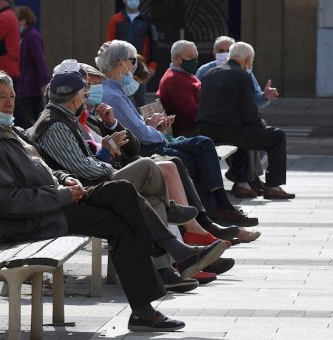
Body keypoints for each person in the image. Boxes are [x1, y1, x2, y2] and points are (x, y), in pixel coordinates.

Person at [0, 70, 226, 331]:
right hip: (29, 220)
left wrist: (64, 179)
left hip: (50, 206)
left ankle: (149, 300)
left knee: (121, 202)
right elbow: (9, 201)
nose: (10, 101)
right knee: (121, 198)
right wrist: (62, 194)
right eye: (1, 97)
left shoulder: (6, 127)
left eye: (12, 95)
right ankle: (174, 254)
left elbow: (43, 166)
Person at [97, 40, 260, 228]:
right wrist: (158, 133)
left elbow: (138, 128)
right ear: (121, 63)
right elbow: (142, 134)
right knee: (189, 157)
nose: (136, 67)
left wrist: (151, 125)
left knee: (203, 144)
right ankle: (208, 217)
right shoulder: (113, 94)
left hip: (153, 140)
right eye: (133, 61)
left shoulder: (117, 91)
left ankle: (217, 209)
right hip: (146, 148)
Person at [197, 42, 295, 200]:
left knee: (242, 136)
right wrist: (260, 126)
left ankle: (243, 184)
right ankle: (273, 186)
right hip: (230, 131)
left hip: (207, 130)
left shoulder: (210, 74)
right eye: (252, 60)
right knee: (277, 136)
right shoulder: (242, 75)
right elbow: (249, 112)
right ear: (248, 59)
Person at [105, 0, 158, 107]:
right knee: (119, 97)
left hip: (141, 65)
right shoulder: (116, 19)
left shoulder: (147, 20)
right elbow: (109, 43)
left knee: (141, 99)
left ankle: (142, 122)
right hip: (119, 65)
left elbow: (154, 43)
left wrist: (152, 65)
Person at [13, 6, 50, 129]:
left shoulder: (32, 36)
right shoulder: (25, 36)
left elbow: (40, 61)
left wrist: (43, 83)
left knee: (32, 117)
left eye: (16, 20)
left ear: (23, 20)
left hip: (32, 87)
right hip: (25, 85)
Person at [156, 40, 201, 137]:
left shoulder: (186, 74)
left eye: (196, 57)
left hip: (195, 128)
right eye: (190, 57)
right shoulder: (174, 79)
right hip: (187, 133)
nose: (195, 60)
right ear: (176, 59)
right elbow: (191, 113)